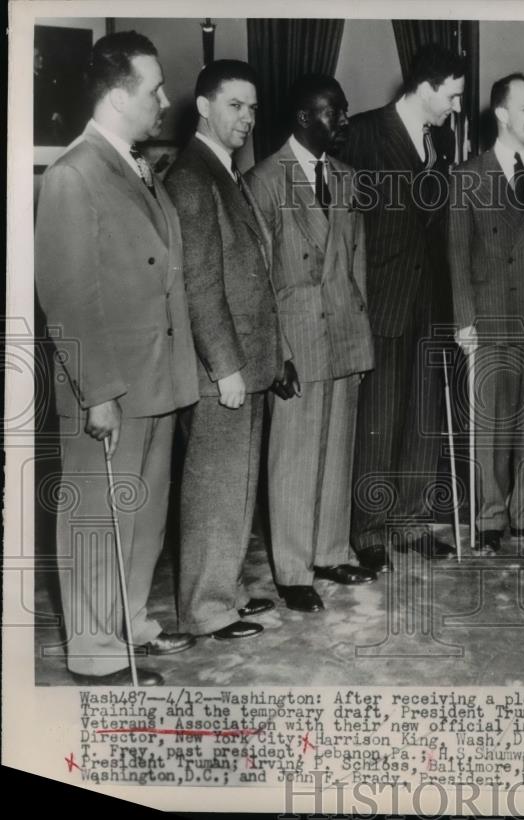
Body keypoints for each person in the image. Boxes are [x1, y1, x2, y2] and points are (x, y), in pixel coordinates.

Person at [35, 31, 198, 685]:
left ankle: (131, 621)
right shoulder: (75, 173)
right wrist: (97, 392)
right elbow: (68, 296)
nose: (164, 99)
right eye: (154, 88)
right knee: (97, 520)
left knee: (142, 513)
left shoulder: (130, 163)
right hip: (109, 385)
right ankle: (96, 649)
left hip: (153, 376)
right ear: (117, 95)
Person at [166, 60, 297, 640]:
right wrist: (226, 367)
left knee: (237, 485)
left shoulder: (226, 172)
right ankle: (204, 609)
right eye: (234, 106)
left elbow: (253, 274)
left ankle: (229, 591)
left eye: (252, 107)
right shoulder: (193, 177)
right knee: (214, 488)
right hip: (222, 368)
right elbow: (199, 283)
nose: (247, 118)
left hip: (247, 361)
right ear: (204, 106)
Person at [246, 74, 377, 611]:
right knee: (294, 458)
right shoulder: (264, 181)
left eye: (344, 111)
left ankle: (331, 550)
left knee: (337, 450)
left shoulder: (346, 178)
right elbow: (256, 279)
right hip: (296, 338)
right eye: (334, 112)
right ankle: (293, 569)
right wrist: (274, 352)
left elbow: (357, 263)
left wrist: (362, 338)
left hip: (344, 333)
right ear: (304, 118)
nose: (344, 121)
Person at [341, 45, 466, 566]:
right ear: (427, 87)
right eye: (453, 96)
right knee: (379, 419)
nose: (456, 108)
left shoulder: (439, 140)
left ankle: (411, 522)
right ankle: (369, 531)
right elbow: (343, 225)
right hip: (380, 299)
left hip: (427, 302)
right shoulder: (364, 132)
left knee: (422, 417)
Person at [448, 73, 524, 553]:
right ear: (501, 114)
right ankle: (490, 518)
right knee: (490, 423)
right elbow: (457, 254)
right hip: (490, 315)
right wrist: (464, 319)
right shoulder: (467, 176)